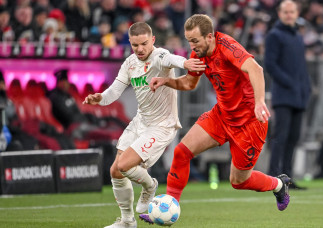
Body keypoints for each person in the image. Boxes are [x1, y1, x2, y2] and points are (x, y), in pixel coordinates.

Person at [139, 14, 292, 224]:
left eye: (195, 41)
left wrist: (259, 102)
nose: (191, 45)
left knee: (238, 181)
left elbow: (255, 69)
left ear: (209, 37)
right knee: (181, 152)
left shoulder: (228, 46)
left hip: (249, 124)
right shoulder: (199, 53)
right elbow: (189, 84)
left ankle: (278, 185)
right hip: (221, 116)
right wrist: (165, 81)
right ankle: (168, 206)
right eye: (188, 40)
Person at [83, 22, 205, 228]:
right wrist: (100, 98)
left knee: (124, 165)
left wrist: (186, 64)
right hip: (141, 122)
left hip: (162, 126)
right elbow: (113, 92)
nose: (140, 49)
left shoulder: (159, 56)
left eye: (144, 44)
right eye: (135, 45)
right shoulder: (130, 63)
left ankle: (150, 186)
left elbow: (172, 58)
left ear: (153, 41)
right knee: (115, 171)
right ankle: (127, 221)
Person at [264, 0, 310, 189]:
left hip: (299, 96)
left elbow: (301, 68)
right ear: (280, 13)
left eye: (292, 11)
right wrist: (291, 84)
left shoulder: (298, 36)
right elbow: (270, 65)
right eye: (286, 11)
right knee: (280, 137)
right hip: (283, 95)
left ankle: (287, 179)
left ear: (297, 12)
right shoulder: (274, 35)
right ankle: (274, 178)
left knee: (293, 138)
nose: (289, 15)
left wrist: (306, 87)